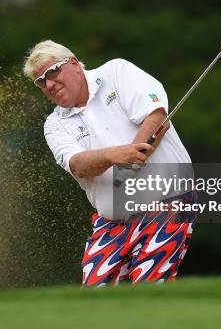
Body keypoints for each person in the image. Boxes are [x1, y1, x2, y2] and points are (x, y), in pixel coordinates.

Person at [23, 40, 195, 286]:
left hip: (166, 204)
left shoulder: (116, 72)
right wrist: (114, 155)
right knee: (94, 299)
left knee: (149, 288)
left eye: (53, 72)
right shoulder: (54, 124)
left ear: (73, 63)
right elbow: (77, 164)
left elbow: (157, 116)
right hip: (112, 221)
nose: (49, 84)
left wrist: (132, 161)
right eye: (41, 82)